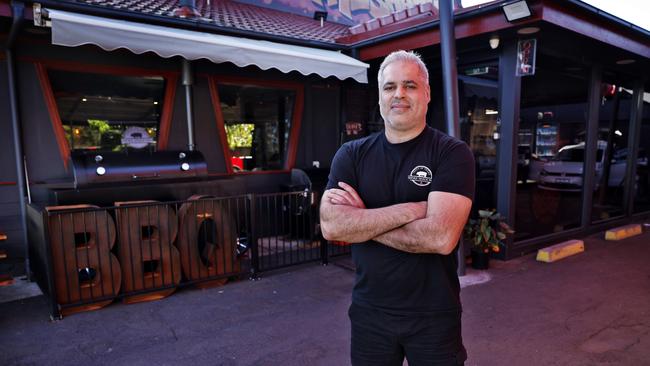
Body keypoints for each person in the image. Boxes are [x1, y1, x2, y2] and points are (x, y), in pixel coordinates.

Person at [320, 50, 475, 366]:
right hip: (370, 313)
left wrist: (362, 221)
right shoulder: (351, 155)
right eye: (389, 87)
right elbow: (333, 227)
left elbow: (440, 238)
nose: (399, 94)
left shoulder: (452, 154)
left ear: (427, 93)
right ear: (379, 98)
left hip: (434, 315)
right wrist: (411, 211)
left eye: (410, 85)